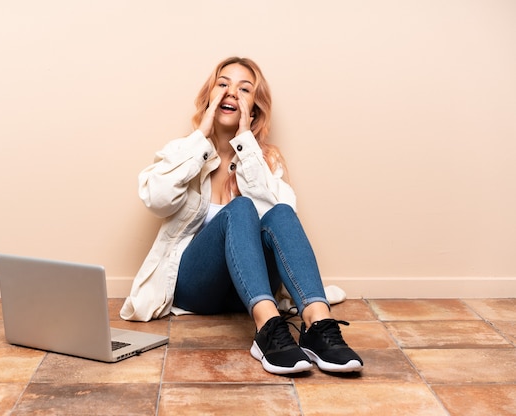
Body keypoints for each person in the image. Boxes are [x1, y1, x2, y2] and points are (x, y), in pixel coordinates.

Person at [120, 57, 363, 375]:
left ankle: (318, 325)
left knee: (280, 211)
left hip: (249, 289)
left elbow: (278, 222)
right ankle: (266, 331)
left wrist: (246, 145)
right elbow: (157, 199)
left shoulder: (263, 159)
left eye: (244, 89)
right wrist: (201, 138)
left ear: (255, 108)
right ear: (209, 97)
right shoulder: (182, 151)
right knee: (240, 208)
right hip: (197, 289)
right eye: (223, 84)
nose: (231, 92)